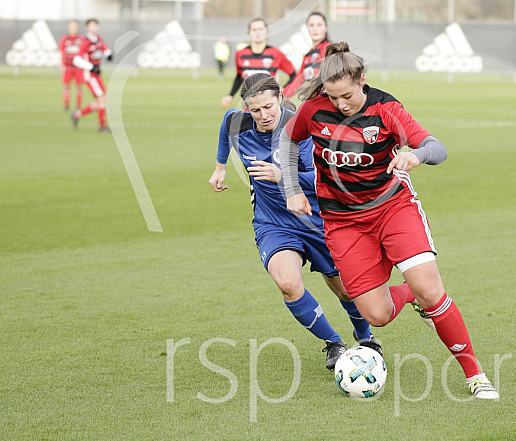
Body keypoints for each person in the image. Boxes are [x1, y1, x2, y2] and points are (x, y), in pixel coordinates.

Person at [279, 42, 499, 399]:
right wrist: (292, 189)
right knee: (377, 315)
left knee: (432, 290)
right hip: (344, 224)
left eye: (347, 95)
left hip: (393, 208)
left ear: (362, 80)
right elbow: (289, 141)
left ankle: (475, 375)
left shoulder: (386, 108)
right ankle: (410, 292)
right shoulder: (313, 110)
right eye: (333, 98)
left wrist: (417, 155)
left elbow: (437, 147)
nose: (341, 105)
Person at [209, 72, 381, 370]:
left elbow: (324, 178)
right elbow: (226, 128)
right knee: (288, 283)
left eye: (268, 107)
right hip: (272, 222)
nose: (263, 115)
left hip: (315, 217)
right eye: (255, 110)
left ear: (279, 97)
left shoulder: (299, 129)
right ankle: (334, 343)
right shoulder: (237, 120)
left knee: (344, 288)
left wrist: (282, 175)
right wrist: (220, 166)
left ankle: (366, 339)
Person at [220, 18, 296, 109]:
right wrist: (230, 95)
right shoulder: (240, 54)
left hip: (270, 108)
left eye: (261, 29)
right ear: (249, 33)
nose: (258, 32)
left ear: (267, 32)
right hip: (249, 107)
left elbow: (293, 75)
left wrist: (283, 90)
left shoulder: (276, 53)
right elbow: (239, 77)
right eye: (254, 30)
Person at [70, 18, 113, 133]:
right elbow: (76, 60)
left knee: (102, 101)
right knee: (102, 99)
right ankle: (102, 126)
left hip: (97, 75)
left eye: (95, 25)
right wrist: (91, 67)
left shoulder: (98, 39)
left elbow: (104, 48)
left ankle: (77, 115)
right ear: (88, 27)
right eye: (91, 25)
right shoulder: (85, 42)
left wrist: (108, 54)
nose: (94, 27)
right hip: (90, 76)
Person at [283, 11, 331, 99]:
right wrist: (279, 96)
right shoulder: (307, 56)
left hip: (330, 102)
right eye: (311, 25)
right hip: (315, 102)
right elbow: (296, 83)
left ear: (326, 28)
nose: (315, 28)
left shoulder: (331, 49)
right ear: (307, 28)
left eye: (319, 25)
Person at [58, 20, 85, 111]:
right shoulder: (65, 39)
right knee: (66, 86)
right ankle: (66, 105)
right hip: (68, 68)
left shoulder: (81, 39)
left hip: (78, 68)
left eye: (74, 27)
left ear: (77, 28)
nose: (72, 29)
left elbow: (84, 52)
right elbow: (61, 52)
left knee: (79, 86)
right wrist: (62, 65)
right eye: (71, 27)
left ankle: (78, 106)